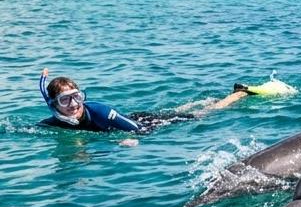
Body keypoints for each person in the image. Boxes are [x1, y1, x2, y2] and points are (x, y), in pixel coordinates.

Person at [38, 68, 257, 135]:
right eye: (66, 100)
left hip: (143, 124)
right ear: (54, 105)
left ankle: (238, 94)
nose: (75, 104)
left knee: (201, 114)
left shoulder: (100, 111)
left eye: (77, 96)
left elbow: (139, 130)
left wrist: (130, 139)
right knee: (174, 109)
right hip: (136, 117)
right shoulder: (52, 124)